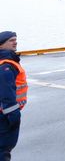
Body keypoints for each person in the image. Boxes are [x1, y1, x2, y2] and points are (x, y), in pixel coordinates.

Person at [0, 31, 26, 161]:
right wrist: (14, 116)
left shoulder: (6, 62)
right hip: (5, 117)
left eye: (15, 39)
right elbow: (7, 95)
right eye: (11, 40)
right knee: (3, 150)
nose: (15, 42)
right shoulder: (6, 66)